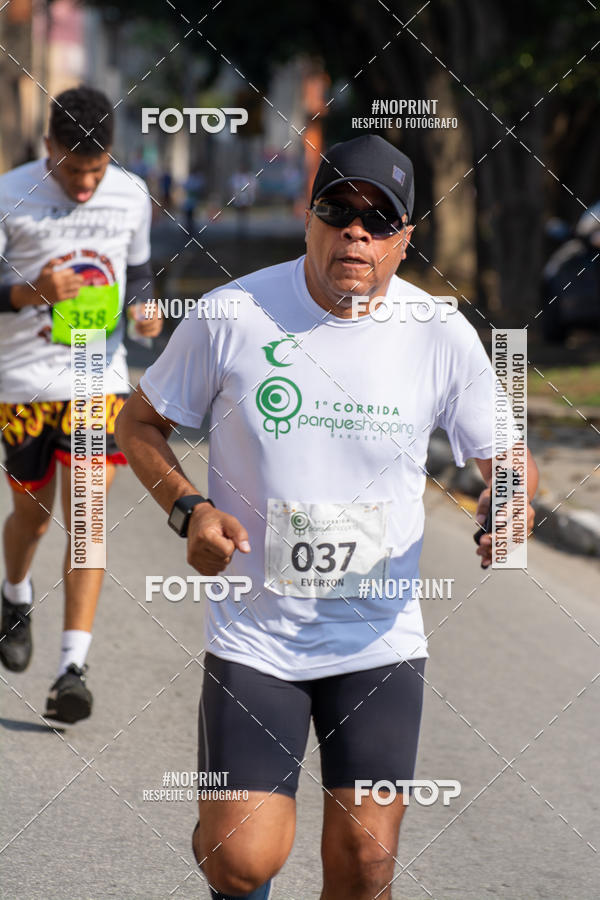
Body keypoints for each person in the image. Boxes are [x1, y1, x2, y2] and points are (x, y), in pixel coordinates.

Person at [115, 134, 538, 899]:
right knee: (242, 861)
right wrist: (190, 509)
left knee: (367, 864)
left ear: (405, 239)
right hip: (257, 639)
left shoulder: (439, 333)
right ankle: (219, 840)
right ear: (309, 218)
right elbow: (137, 424)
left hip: (378, 639)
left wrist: (508, 499)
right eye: (339, 211)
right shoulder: (233, 314)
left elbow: (506, 455)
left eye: (379, 220)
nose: (356, 233)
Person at [0, 85, 162, 723]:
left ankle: (72, 669)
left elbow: (139, 271)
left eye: (97, 170)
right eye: (73, 172)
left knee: (87, 517)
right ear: (49, 148)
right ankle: (15, 594)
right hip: (23, 385)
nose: (87, 185)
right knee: (33, 516)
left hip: (98, 377)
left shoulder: (131, 195)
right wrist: (28, 293)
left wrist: (144, 308)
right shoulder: (10, 195)